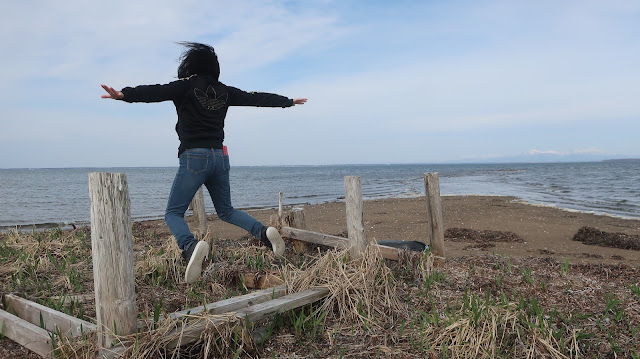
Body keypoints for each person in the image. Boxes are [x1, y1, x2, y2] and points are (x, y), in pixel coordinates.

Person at [101, 42, 307, 284]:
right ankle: (263, 233)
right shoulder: (224, 90)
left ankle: (190, 248)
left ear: (191, 65)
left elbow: (155, 92)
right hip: (220, 157)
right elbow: (256, 98)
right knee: (226, 210)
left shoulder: (185, 86)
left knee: (173, 213)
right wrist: (287, 101)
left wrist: (125, 94)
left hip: (194, 156)